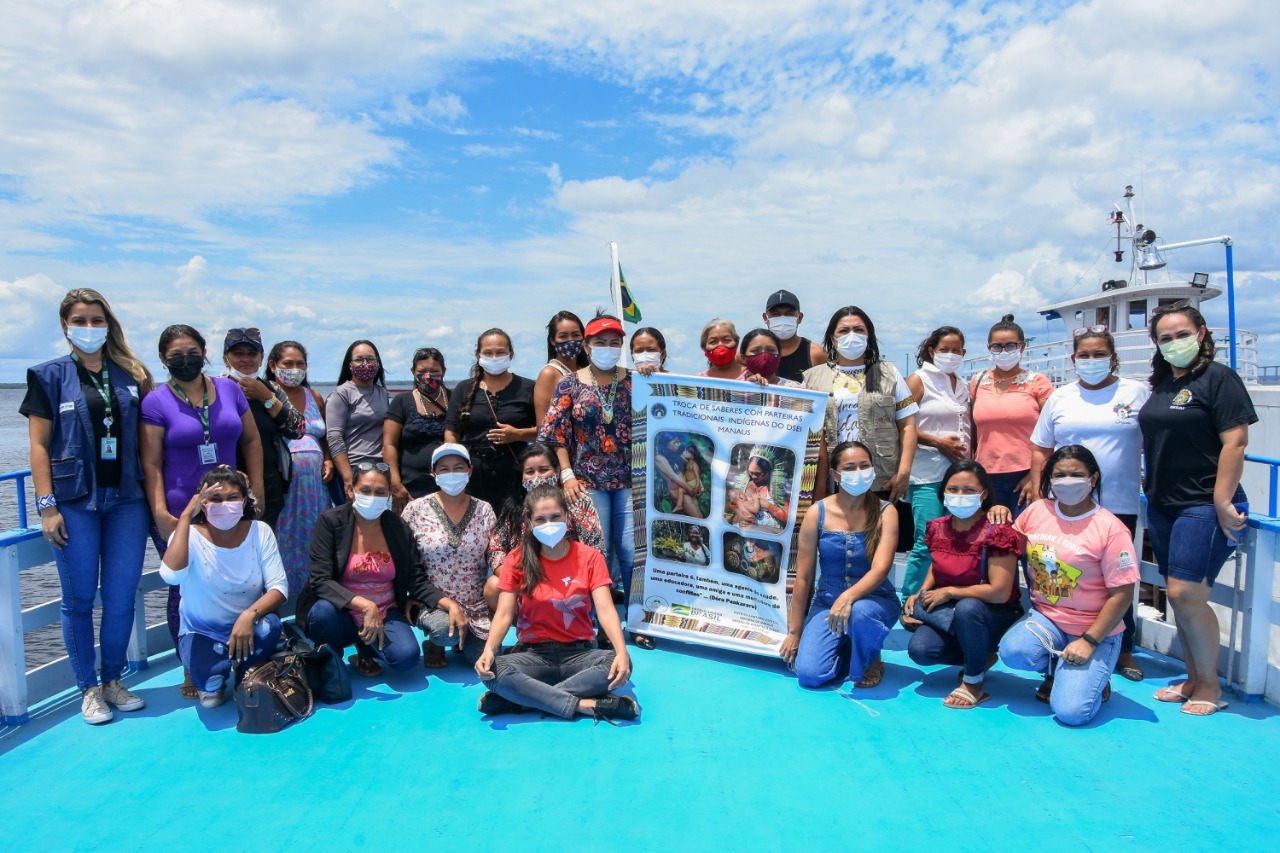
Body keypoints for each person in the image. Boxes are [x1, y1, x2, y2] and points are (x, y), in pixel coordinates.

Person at [22, 288, 154, 724]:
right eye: (82, 320)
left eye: (98, 320)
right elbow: (39, 447)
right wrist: (46, 507)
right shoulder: (48, 376)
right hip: (74, 501)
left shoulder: (130, 374)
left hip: (127, 502)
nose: (90, 328)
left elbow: (148, 440)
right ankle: (88, 689)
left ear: (109, 325)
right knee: (79, 597)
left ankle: (113, 679)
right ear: (65, 325)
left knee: (119, 596)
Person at [1139, 302, 1255, 716]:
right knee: (1178, 597)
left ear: (1201, 333)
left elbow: (1235, 442)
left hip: (1203, 502)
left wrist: (1223, 500)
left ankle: (1210, 685)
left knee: (1186, 594)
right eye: (1165, 338)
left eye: (1181, 334)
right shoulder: (1164, 383)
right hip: (1163, 503)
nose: (1174, 343)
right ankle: (1192, 677)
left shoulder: (1218, 379)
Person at [141, 324, 264, 699]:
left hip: (228, 507)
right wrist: (161, 511)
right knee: (184, 591)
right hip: (183, 511)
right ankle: (191, 666)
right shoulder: (156, 402)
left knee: (237, 580)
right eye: (176, 355)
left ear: (205, 352)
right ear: (163, 359)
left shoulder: (228, 390)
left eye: (192, 352)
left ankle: (237, 655)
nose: (186, 360)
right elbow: (152, 463)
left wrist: (255, 490)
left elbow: (251, 439)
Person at [1030, 326, 1150, 682]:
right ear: (1073, 360)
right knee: (1057, 576)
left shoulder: (1137, 392)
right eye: (1085, 355)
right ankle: (1055, 642)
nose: (1092, 360)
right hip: (1063, 505)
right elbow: (1041, 446)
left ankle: (1121, 647)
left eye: (1099, 354)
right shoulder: (1061, 397)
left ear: (1113, 357)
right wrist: (1041, 493)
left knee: (1117, 581)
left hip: (1118, 504)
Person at [998, 445, 1139, 726]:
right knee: (1013, 653)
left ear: (1094, 479)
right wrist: (997, 513)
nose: (1067, 480)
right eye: (1059, 474)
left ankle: (1095, 676)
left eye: (1077, 474)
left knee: (1072, 713)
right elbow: (1009, 545)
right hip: (1047, 618)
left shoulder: (1111, 529)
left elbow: (1122, 594)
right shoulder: (1037, 511)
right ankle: (1057, 671)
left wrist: (1089, 641)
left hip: (1094, 628)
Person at [474, 486, 638, 722]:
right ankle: (586, 704)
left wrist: (621, 651)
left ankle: (523, 700)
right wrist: (488, 650)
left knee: (620, 663)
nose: (548, 524)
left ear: (567, 517)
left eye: (555, 517)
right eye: (540, 519)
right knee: (492, 672)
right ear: (529, 522)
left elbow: (605, 610)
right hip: (534, 656)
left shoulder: (590, 557)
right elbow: (503, 614)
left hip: (580, 655)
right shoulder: (517, 559)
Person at [299, 462, 465, 676]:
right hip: (342, 611)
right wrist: (366, 606)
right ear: (351, 491)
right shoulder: (330, 522)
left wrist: (449, 604)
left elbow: (416, 579)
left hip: (386, 609)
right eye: (365, 491)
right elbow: (320, 580)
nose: (373, 497)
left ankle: (365, 649)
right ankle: (333, 653)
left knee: (407, 658)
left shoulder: (398, 527)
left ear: (388, 494)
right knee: (322, 613)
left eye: (380, 492)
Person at [158, 467, 286, 708]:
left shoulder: (260, 531)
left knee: (270, 627)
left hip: (250, 627)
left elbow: (279, 588)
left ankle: (245, 674)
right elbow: (171, 576)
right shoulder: (189, 534)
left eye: (232, 497)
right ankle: (212, 673)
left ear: (245, 500)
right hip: (203, 631)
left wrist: (249, 616)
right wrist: (185, 517)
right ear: (202, 503)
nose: (224, 504)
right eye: (215, 498)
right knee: (211, 698)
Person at [780, 441, 899, 689]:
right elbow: (803, 577)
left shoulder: (886, 512)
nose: (858, 472)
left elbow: (881, 569)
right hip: (826, 603)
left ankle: (868, 656)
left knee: (861, 612)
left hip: (874, 601)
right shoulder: (817, 513)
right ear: (835, 474)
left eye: (864, 466)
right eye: (850, 467)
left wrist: (847, 599)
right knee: (809, 674)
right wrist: (795, 631)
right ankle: (850, 645)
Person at [904, 460, 1023, 708]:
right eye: (953, 489)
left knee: (969, 607)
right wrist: (922, 592)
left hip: (993, 612)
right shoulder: (937, 527)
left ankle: (973, 681)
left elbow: (1000, 593)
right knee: (920, 650)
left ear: (985, 494)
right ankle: (980, 654)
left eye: (969, 490)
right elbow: (936, 566)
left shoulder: (998, 532)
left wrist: (949, 592)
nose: (960, 496)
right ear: (943, 492)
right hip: (952, 613)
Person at [538, 314, 634, 597]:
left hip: (631, 482)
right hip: (587, 482)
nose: (608, 347)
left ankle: (638, 614)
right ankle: (596, 618)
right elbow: (556, 433)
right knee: (596, 550)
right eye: (600, 342)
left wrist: (656, 371)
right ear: (587, 346)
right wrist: (566, 474)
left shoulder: (637, 381)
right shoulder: (568, 383)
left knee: (631, 550)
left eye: (614, 342)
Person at [803, 306, 918, 502]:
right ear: (833, 339)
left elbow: (908, 426)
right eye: (844, 331)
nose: (851, 335)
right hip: (832, 482)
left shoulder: (889, 373)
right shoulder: (812, 378)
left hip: (881, 479)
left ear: (868, 336)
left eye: (858, 330)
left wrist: (903, 472)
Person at [401, 444, 496, 668]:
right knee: (445, 631)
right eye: (444, 469)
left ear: (470, 471)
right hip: (433, 603)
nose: (452, 474)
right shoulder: (416, 510)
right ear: (433, 474)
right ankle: (435, 642)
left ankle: (463, 641)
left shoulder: (485, 510)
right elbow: (405, 562)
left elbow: (495, 555)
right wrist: (408, 594)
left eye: (458, 467)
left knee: (487, 659)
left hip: (475, 604)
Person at [486, 443, 605, 609]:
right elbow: (495, 549)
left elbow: (595, 547)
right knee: (493, 584)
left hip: (570, 580)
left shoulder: (576, 500)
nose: (537, 477)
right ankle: (528, 627)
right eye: (529, 472)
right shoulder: (513, 506)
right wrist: (513, 577)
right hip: (526, 582)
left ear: (557, 471)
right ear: (521, 476)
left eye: (543, 470)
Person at [902, 326, 970, 601]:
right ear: (932, 351)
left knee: (956, 540)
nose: (950, 355)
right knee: (927, 539)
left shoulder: (963, 384)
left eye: (957, 351)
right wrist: (938, 442)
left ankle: (942, 594)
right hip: (926, 474)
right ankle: (910, 599)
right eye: (945, 350)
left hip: (960, 477)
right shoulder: (918, 380)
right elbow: (900, 425)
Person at [266, 340, 334, 600]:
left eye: (300, 364)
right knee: (283, 540)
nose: (294, 369)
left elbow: (325, 435)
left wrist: (327, 458)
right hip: (285, 485)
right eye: (288, 364)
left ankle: (312, 602)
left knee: (315, 541)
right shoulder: (266, 394)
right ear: (273, 366)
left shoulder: (314, 396)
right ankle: (280, 602)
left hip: (315, 489)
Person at [444, 328, 538, 511]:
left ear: (511, 354)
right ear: (478, 355)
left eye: (500, 352)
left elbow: (545, 431)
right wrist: (458, 466)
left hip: (515, 477)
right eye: (488, 353)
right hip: (473, 478)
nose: (494, 357)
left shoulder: (528, 387)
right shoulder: (463, 389)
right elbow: (451, 432)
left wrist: (517, 434)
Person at [970, 314, 1053, 518]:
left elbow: (1052, 433)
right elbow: (973, 431)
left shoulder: (1038, 382)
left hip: (1026, 475)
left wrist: (1036, 477)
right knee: (993, 540)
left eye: (1010, 346)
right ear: (989, 348)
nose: (1004, 351)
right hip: (987, 476)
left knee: (1025, 538)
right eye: (997, 346)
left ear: (1022, 347)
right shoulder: (977, 381)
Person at [223, 327, 305, 529]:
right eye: (238, 354)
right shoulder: (215, 389)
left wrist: (266, 397)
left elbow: (298, 429)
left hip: (269, 485)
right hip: (226, 485)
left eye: (252, 354)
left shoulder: (272, 389)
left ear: (261, 357)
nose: (246, 359)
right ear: (226, 359)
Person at [385, 347, 450, 510]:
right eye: (422, 371)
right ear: (413, 371)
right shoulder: (402, 402)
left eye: (434, 371)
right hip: (410, 488)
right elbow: (389, 445)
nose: (428, 376)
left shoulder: (455, 399)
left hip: (449, 487)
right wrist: (396, 483)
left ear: (444, 371)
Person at [326, 340, 389, 500]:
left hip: (380, 469)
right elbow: (334, 437)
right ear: (350, 364)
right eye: (359, 359)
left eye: (370, 359)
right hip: (353, 468)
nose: (365, 364)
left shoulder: (382, 393)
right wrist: (348, 478)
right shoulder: (341, 394)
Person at [533, 311, 589, 420]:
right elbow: (542, 424)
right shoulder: (550, 373)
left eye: (576, 335)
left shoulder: (586, 369)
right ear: (553, 340)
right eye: (563, 336)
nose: (570, 340)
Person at [761, 289, 826, 383]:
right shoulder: (753, 353)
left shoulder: (816, 354)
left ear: (799, 318)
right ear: (765, 318)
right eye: (775, 314)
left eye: (789, 314)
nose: (782, 318)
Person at [654, 433, 707, 519]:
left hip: (688, 490)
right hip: (679, 492)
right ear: (665, 443)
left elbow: (692, 470)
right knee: (699, 518)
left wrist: (700, 486)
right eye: (674, 443)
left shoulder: (677, 456)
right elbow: (672, 476)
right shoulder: (659, 458)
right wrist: (690, 489)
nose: (677, 445)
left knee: (699, 517)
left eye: (678, 442)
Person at [738, 328, 804, 388]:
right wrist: (746, 388)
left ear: (779, 356)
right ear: (743, 358)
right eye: (756, 350)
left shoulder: (794, 389)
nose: (764, 356)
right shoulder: (734, 387)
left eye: (771, 350)